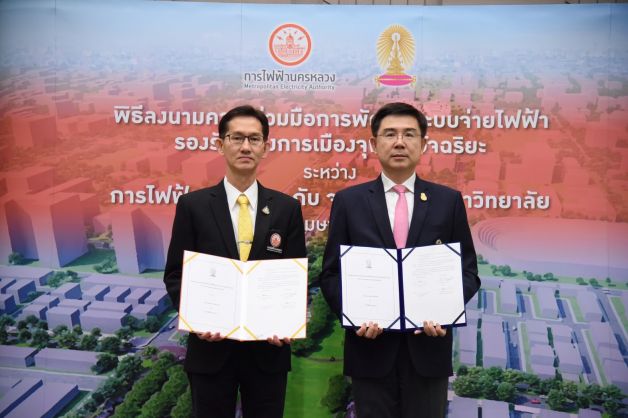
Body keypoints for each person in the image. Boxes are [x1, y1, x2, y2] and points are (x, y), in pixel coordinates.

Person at [320, 102, 481, 418]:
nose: (399, 142)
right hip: (369, 351)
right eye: (390, 134)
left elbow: (468, 272)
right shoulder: (349, 201)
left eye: (409, 134)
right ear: (374, 143)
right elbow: (331, 274)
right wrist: (354, 315)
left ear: (423, 144)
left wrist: (444, 311)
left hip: (429, 351)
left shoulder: (447, 201)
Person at [163, 105, 306, 418]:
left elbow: (295, 277)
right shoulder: (193, 206)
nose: (245, 146)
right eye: (237, 138)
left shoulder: (287, 209)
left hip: (268, 350)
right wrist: (196, 318)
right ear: (220, 144)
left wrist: (286, 323)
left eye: (254, 139)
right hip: (210, 351)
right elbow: (175, 274)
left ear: (265, 147)